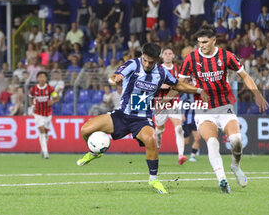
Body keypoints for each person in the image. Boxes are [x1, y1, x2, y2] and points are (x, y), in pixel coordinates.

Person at [76, 43, 209, 194]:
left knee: (152, 139)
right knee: (85, 130)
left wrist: (199, 90)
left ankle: (154, 180)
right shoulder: (133, 64)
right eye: (145, 60)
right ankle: (94, 152)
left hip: (142, 119)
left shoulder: (162, 72)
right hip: (122, 114)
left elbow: (178, 85)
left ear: (157, 60)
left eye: (150, 62)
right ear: (142, 55)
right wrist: (115, 79)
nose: (146, 64)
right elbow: (114, 77)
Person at [176, 25, 268, 193]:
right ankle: (222, 179)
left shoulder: (227, 56)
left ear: (213, 40)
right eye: (199, 42)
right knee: (212, 142)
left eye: (204, 42)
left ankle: (235, 166)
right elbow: (179, 83)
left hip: (224, 105)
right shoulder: (191, 58)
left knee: (236, 141)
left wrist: (257, 94)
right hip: (203, 108)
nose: (201, 45)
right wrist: (196, 90)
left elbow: (245, 75)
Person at [155, 47, 186, 164]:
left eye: (170, 53)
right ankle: (158, 135)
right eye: (165, 54)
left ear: (173, 56)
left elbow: (180, 86)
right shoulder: (157, 69)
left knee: (179, 129)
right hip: (160, 104)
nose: (168, 55)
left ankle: (181, 156)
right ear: (162, 56)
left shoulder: (178, 70)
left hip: (174, 103)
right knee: (159, 128)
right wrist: (162, 86)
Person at [29, 71, 59, 159]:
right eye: (40, 77)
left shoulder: (50, 89)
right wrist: (32, 106)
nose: (42, 78)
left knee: (46, 132)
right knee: (41, 129)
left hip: (48, 113)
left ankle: (43, 148)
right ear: (37, 78)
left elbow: (56, 98)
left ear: (46, 78)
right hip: (38, 113)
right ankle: (46, 152)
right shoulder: (33, 89)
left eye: (43, 77)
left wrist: (52, 101)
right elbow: (30, 98)